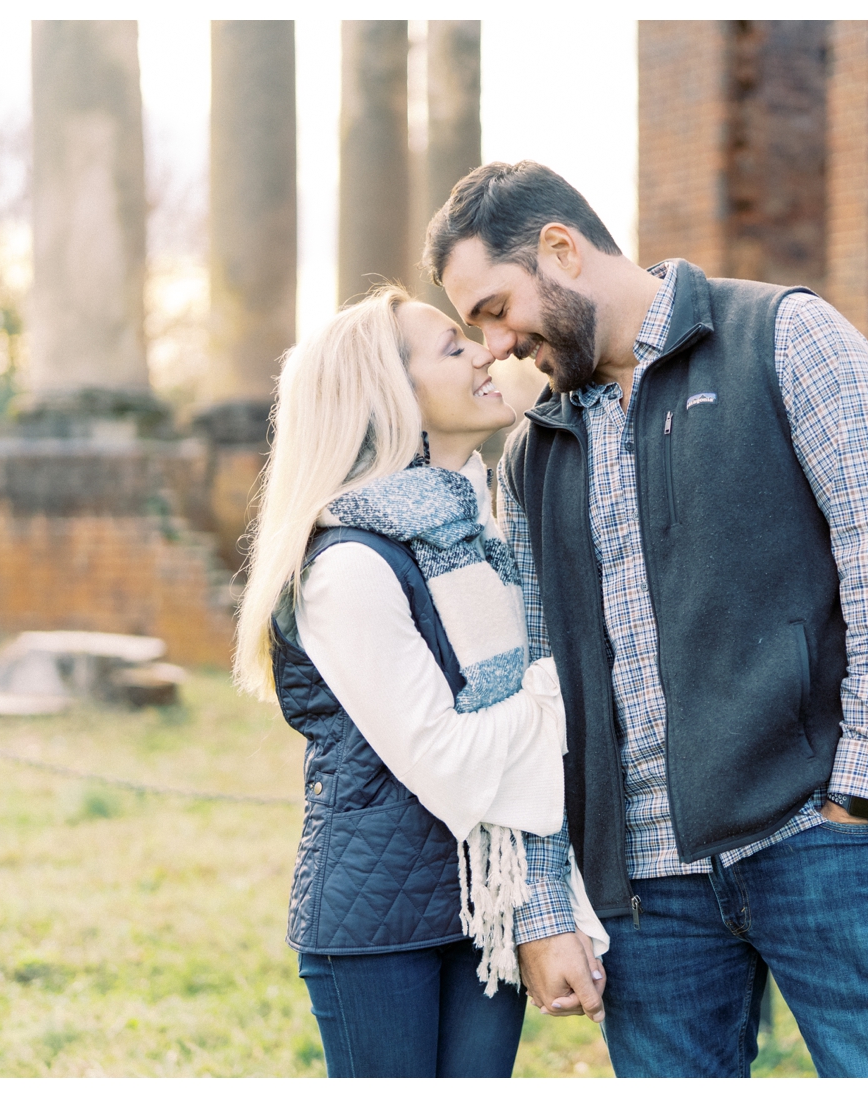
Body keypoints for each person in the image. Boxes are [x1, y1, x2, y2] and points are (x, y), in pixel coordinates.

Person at [423, 161, 868, 1078]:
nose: (493, 345)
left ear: (560, 248)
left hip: (822, 843)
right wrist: (548, 901)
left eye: (493, 306)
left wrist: (862, 791)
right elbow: (534, 694)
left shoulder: (787, 337)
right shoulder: (530, 460)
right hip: (646, 896)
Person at [232, 285, 607, 1078]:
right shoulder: (351, 565)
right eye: (451, 346)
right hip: (380, 929)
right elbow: (453, 761)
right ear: (390, 395)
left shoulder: (479, 532)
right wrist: (555, 694)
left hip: (481, 904)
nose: (486, 351)